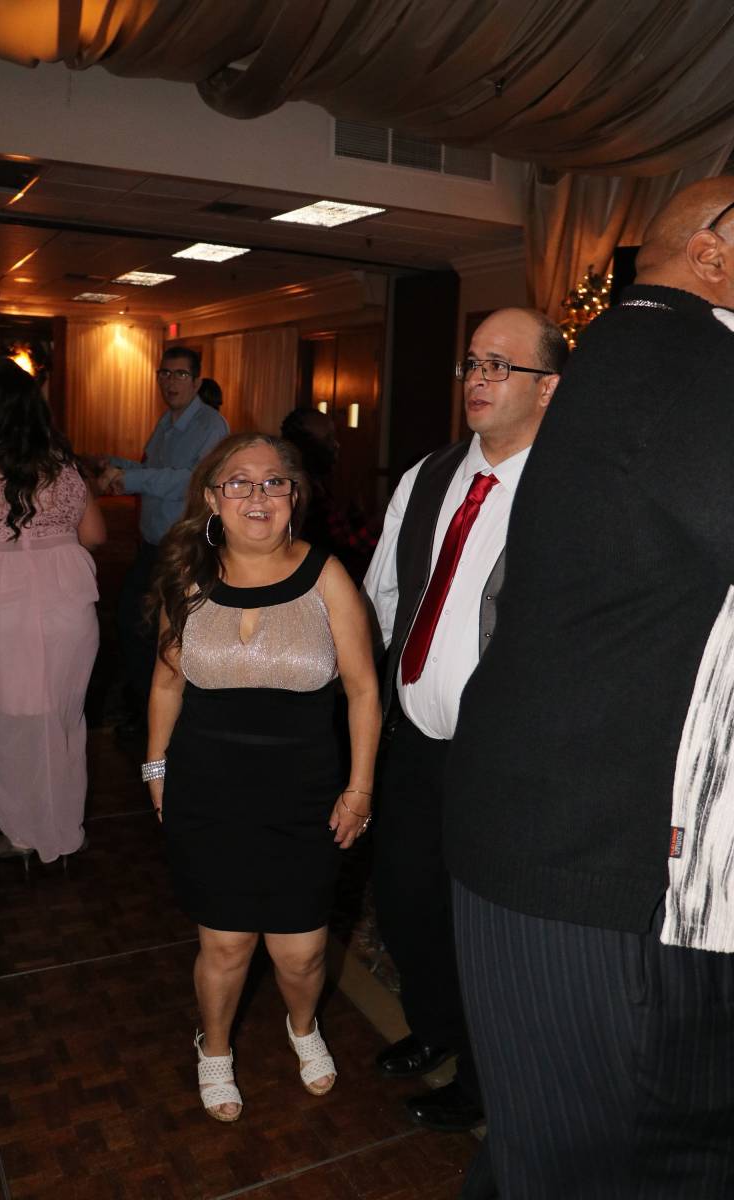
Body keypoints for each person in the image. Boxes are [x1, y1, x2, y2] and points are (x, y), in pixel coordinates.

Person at [445, 178, 734, 1198]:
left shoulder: (635, 355)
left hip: (559, 841)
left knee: (565, 1152)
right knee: (598, 1163)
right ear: (713, 250)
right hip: (584, 862)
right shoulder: (678, 357)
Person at [362, 308, 566, 1150]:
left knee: (487, 930)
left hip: (503, 759)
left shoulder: (570, 490)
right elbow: (386, 592)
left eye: (500, 366)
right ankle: (435, 1028)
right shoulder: (429, 475)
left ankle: (485, 1083)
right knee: (405, 901)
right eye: (473, 364)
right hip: (415, 740)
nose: (478, 379)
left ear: (548, 388)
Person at [145, 432, 381, 1122]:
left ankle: (303, 1027)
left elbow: (364, 691)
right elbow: (166, 683)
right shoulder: (189, 580)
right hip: (207, 791)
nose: (258, 494)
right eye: (239, 482)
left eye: (274, 481)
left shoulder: (328, 577)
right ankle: (214, 1047)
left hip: (304, 796)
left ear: (294, 496)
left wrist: (360, 788)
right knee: (224, 943)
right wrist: (156, 766)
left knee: (301, 953)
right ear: (212, 498)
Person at [0, 358, 105, 866]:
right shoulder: (63, 463)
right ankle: (65, 831)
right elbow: (96, 535)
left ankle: (22, 834)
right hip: (63, 597)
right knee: (63, 717)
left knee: (4, 720)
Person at [99, 347, 229, 738]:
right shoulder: (167, 422)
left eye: (180, 375)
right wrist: (117, 466)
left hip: (185, 549)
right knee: (137, 626)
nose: (170, 382)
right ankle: (149, 710)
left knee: (170, 634)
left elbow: (191, 481)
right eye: (164, 374)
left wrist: (129, 478)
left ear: (197, 381)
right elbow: (156, 471)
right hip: (153, 546)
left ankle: (170, 719)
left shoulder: (211, 425)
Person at [281, 406, 377, 583]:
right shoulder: (296, 492)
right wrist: (376, 526)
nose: (336, 445)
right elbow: (334, 550)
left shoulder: (321, 485)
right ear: (305, 445)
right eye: (327, 439)